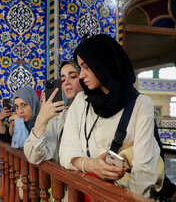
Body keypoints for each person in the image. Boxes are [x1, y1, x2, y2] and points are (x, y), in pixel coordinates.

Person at [59, 34, 160, 198]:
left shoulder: (141, 104)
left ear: (103, 64)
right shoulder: (81, 101)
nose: (82, 75)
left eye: (86, 67)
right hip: (86, 193)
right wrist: (91, 165)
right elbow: (65, 154)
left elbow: (143, 171)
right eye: (80, 68)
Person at [24, 60, 83, 164]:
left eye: (73, 76)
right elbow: (34, 156)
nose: (66, 82)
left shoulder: (94, 111)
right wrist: (41, 121)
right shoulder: (60, 116)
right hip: (64, 177)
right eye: (63, 79)